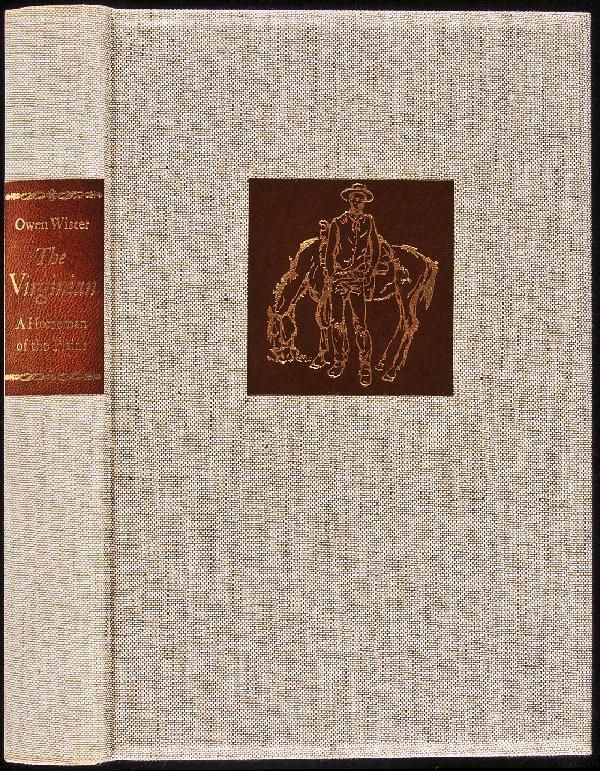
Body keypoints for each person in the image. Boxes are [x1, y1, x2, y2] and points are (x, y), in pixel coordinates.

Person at [323, 182, 380, 387]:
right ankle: (339, 361)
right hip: (339, 278)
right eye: (355, 197)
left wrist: (368, 272)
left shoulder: (369, 221)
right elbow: (330, 252)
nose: (357, 200)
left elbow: (375, 248)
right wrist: (332, 276)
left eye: (361, 198)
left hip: (358, 279)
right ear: (349, 199)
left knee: (360, 324)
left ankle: (365, 366)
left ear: (365, 201)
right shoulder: (338, 222)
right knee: (337, 322)